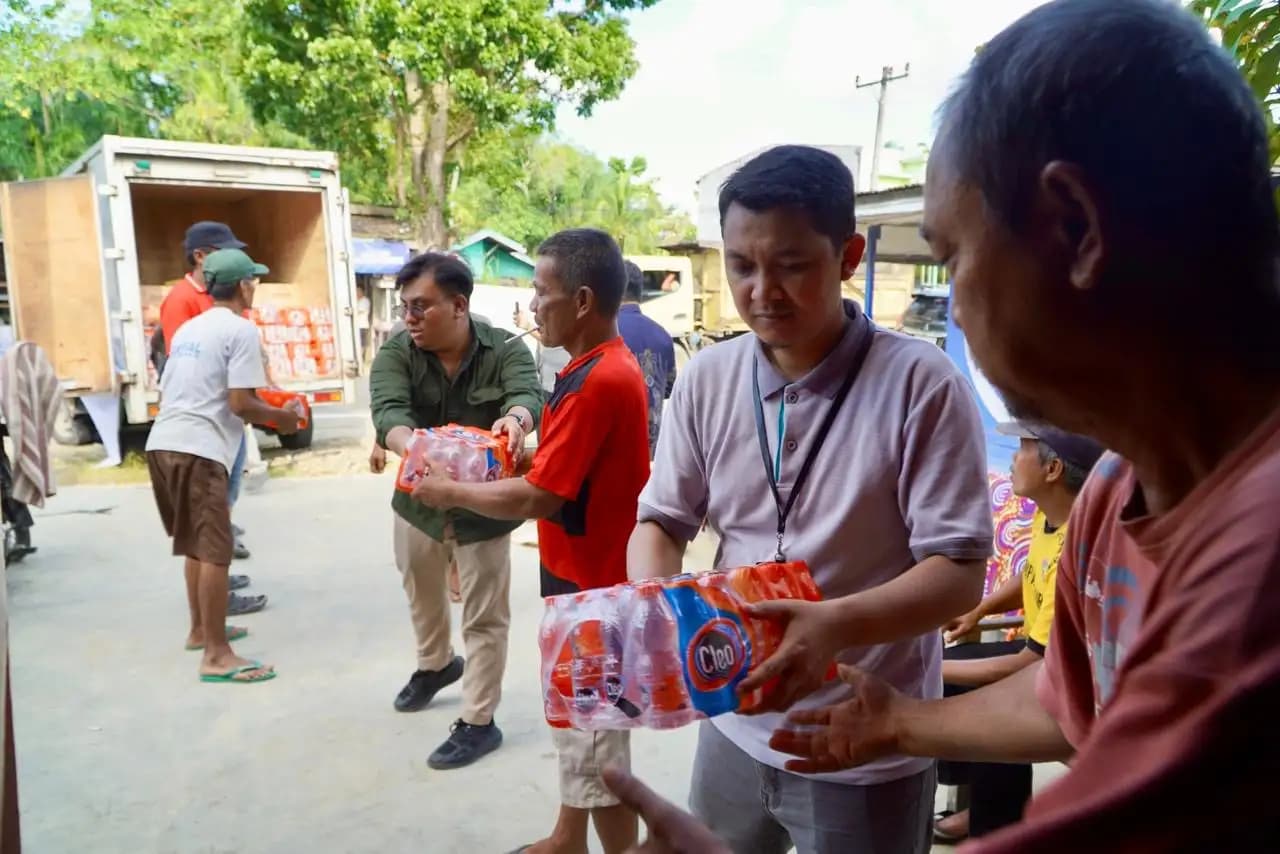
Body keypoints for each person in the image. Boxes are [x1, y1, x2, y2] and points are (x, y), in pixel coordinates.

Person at [611, 2, 1280, 851]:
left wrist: (862, 659)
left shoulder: (1259, 555)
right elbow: (1065, 700)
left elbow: (959, 577)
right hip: (752, 720)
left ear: (1074, 228)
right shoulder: (1114, 496)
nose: (953, 302)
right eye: (741, 266)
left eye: (952, 254)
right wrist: (902, 721)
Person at [626, 144, 993, 854]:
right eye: (741, 265)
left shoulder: (921, 384)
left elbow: (958, 571)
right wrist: (655, 604)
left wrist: (833, 624)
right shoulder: (707, 379)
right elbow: (662, 519)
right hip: (731, 721)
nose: (763, 290)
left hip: (863, 737)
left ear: (849, 255)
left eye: (792, 264)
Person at [410, 229, 649, 854]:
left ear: (581, 300)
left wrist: (452, 492)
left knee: (600, 752)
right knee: (580, 730)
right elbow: (560, 474)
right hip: (579, 578)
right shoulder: (587, 369)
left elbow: (540, 497)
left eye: (541, 292)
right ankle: (567, 839)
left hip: (593, 592)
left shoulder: (600, 380)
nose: (532, 305)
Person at [369, 252, 542, 771]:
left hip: (483, 507)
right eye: (405, 308)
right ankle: (435, 664)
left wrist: (515, 420)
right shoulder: (397, 351)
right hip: (418, 500)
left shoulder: (506, 348)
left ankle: (479, 721)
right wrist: (415, 448)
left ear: (460, 305)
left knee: (486, 614)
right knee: (421, 589)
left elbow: (526, 395)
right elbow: (388, 411)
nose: (411, 318)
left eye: (422, 306)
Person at [933, 423, 1101, 843]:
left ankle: (995, 826)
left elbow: (1031, 666)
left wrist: (934, 669)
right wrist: (979, 610)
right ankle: (989, 811)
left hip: (1071, 685)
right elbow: (1030, 574)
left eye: (1023, 447)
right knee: (951, 677)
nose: (1011, 456)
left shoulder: (1078, 545)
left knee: (942, 682)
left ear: (1053, 469)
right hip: (1045, 666)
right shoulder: (1052, 517)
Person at [144, 248, 302, 683]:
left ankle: (201, 630)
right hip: (199, 449)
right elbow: (241, 403)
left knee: (196, 545)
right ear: (243, 285)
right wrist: (285, 418)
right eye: (254, 280)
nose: (255, 287)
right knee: (216, 550)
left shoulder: (192, 329)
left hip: (163, 443)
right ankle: (217, 654)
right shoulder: (240, 330)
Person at [159, 221, 262, 614]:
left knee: (217, 519)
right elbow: (195, 370)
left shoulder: (210, 307)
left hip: (214, 430)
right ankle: (214, 631)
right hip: (203, 430)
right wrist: (276, 415)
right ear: (201, 256)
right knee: (210, 533)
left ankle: (211, 602)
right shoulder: (183, 301)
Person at [618, 261, 676, 457]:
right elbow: (668, 388)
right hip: (651, 454)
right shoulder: (663, 336)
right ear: (640, 291)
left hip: (612, 454)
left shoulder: (600, 334)